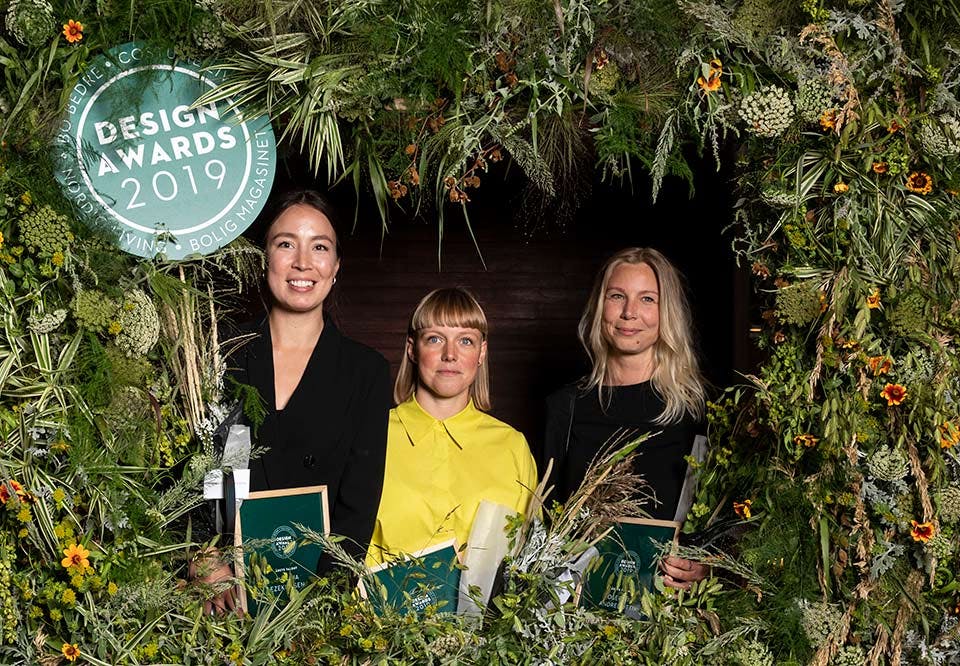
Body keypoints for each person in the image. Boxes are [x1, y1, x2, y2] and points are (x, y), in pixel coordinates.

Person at [199, 189, 391, 612]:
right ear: (263, 257)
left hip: (311, 604)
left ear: (335, 266)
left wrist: (315, 612)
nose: (303, 262)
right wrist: (203, 559)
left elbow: (357, 512)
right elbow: (188, 472)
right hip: (219, 602)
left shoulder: (367, 372)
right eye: (286, 244)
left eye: (319, 247)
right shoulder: (217, 354)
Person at [543, 247, 709, 590]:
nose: (629, 312)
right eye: (617, 296)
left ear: (667, 312)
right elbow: (546, 522)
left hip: (668, 607)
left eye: (647, 299)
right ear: (599, 306)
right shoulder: (565, 407)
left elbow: (718, 520)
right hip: (578, 608)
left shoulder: (698, 410)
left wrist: (704, 566)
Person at [366, 288, 537, 566]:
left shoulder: (512, 446)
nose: (450, 354)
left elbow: (531, 555)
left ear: (481, 352)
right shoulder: (371, 435)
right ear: (412, 349)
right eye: (435, 339)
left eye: (465, 341)